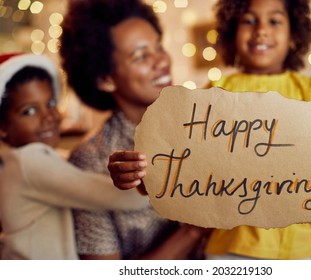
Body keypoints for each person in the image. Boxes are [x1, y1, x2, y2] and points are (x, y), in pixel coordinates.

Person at [107, 0, 311, 260]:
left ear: (293, 36)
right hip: (227, 249)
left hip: (295, 253)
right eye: (249, 21)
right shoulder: (216, 93)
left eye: (274, 21)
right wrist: (141, 175)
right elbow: (181, 164)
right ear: (231, 32)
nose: (261, 30)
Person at [59, 0, 208, 260]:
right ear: (105, 79)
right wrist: (193, 232)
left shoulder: (202, 124)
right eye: (141, 56)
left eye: (158, 47)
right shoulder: (91, 160)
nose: (161, 61)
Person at [0, 53, 148, 260]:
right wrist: (171, 182)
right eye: (29, 111)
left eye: (51, 103)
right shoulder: (27, 162)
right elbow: (119, 197)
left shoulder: (19, 164)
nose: (48, 116)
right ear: (3, 128)